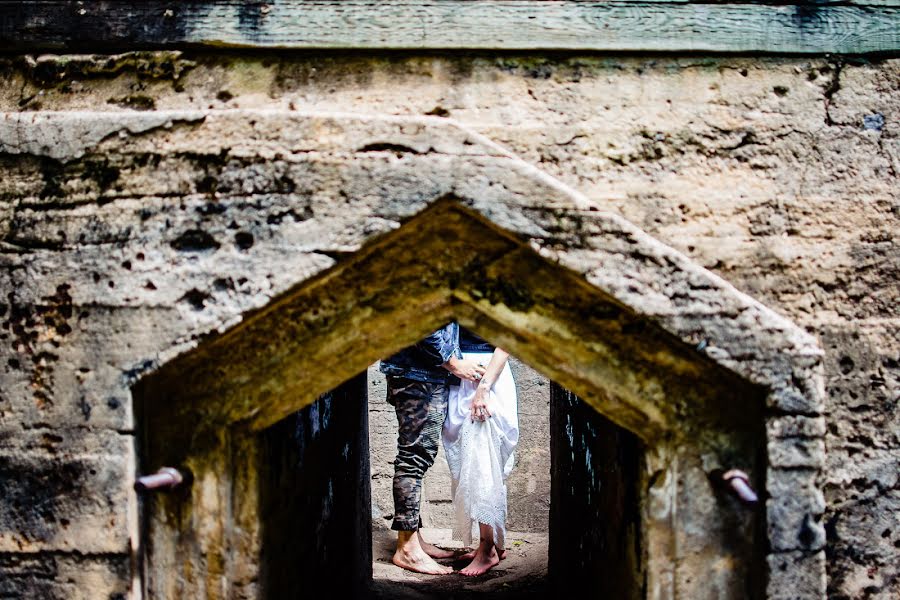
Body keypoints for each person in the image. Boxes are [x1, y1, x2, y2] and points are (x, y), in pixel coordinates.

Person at [379, 322, 486, 575]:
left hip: (420, 371)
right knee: (413, 458)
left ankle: (414, 539)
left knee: (418, 457)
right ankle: (406, 549)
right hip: (417, 373)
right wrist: (452, 363)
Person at [442, 327, 519, 577]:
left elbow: (507, 339)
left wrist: (483, 388)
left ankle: (488, 549)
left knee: (483, 463)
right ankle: (492, 542)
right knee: (470, 463)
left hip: (486, 375)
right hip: (460, 373)